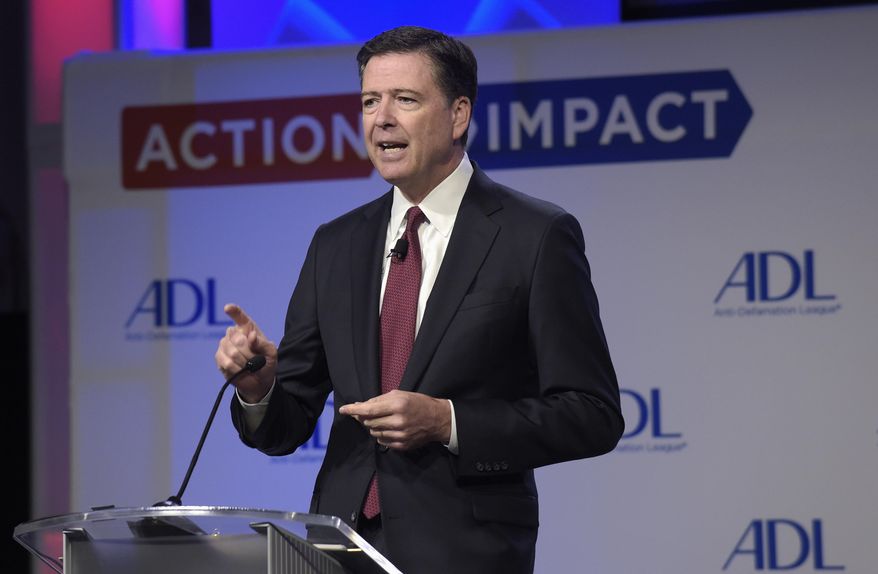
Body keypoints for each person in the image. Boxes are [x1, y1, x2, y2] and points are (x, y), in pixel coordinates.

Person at [215, 25, 623, 574]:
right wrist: (260, 388)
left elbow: (592, 413)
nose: (381, 119)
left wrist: (448, 422)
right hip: (341, 549)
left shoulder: (534, 235)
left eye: (405, 99)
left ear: (458, 115)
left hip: (466, 552)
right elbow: (285, 427)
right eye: (369, 101)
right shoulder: (336, 244)